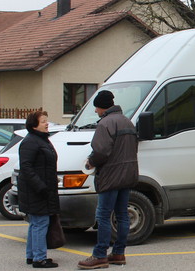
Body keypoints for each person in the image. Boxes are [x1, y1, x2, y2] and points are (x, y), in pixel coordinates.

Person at [78, 91, 139, 270]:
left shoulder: (105, 123)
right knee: (121, 214)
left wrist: (90, 162)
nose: (96, 111)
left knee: (103, 215)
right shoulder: (127, 121)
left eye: (96, 107)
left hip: (111, 175)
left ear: (101, 106)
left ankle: (99, 255)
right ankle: (119, 253)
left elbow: (101, 151)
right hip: (128, 174)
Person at [19, 110, 60, 268]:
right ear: (34, 125)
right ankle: (39, 258)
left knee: (36, 223)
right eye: (43, 121)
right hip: (36, 191)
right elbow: (26, 167)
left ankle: (32, 255)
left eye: (46, 120)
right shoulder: (31, 142)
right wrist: (41, 186)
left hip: (43, 189)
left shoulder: (42, 140)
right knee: (40, 222)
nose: (47, 123)